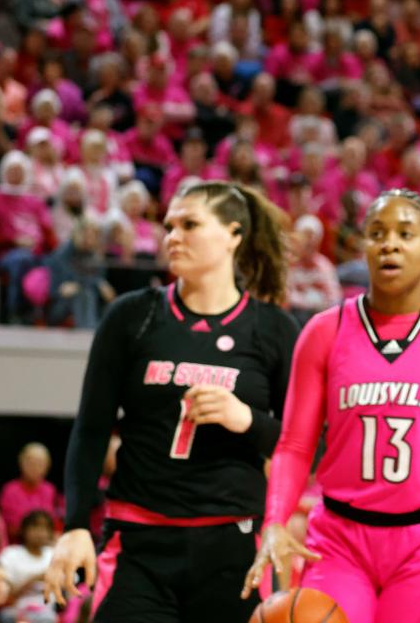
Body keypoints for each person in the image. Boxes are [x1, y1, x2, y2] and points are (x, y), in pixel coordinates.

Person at [243, 189, 420, 622]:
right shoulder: (323, 330)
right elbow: (295, 445)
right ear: (364, 247)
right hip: (339, 539)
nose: (389, 243)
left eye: (405, 234)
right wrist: (275, 519)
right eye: (377, 233)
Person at [43, 181, 301, 622]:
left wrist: (247, 420)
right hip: (138, 544)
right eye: (169, 226)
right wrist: (75, 527)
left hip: (233, 544)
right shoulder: (132, 316)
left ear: (233, 235)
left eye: (189, 224)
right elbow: (90, 429)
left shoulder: (273, 329)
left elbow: (306, 444)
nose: (172, 236)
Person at [0, 510, 56, 623]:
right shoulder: (10, 554)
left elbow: (70, 590)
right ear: (23, 530)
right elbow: (5, 595)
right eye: (35, 526)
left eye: (45, 528)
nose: (40, 532)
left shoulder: (54, 554)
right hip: (14, 611)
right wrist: (35, 579)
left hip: (50, 612)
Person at [0, 442, 61, 542]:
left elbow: (54, 522)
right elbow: (10, 528)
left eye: (40, 463)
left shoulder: (50, 490)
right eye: (30, 462)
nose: (34, 467)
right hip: (17, 547)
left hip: (45, 546)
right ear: (21, 463)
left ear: (47, 466)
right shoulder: (10, 490)